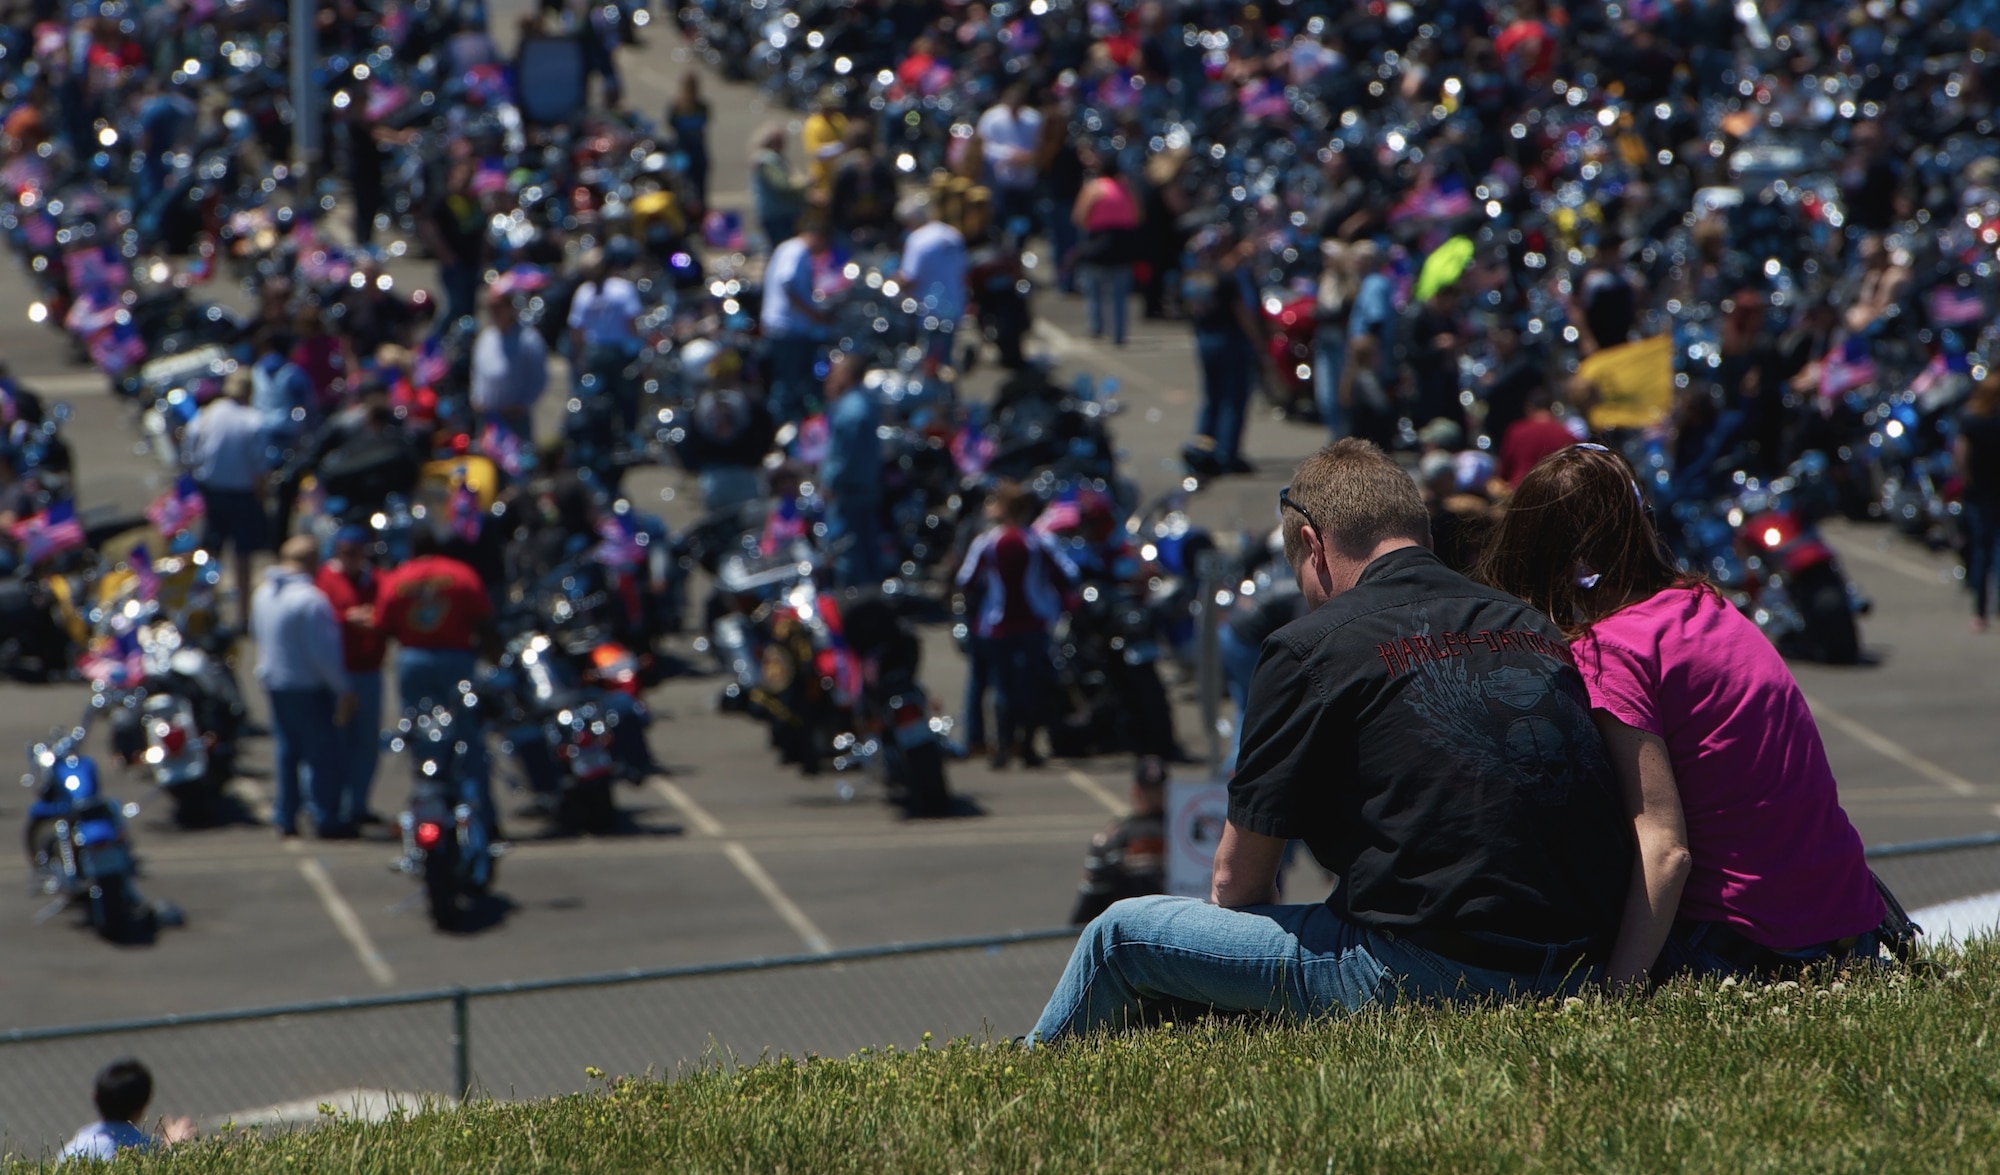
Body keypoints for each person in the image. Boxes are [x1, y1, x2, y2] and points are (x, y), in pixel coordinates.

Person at [1030, 439, 1632, 1042]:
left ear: (1313, 546)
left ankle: (1019, 1087)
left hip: (1428, 972)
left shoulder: (1310, 645)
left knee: (1120, 937)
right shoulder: (1530, 624)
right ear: (1419, 533)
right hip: (1579, 965)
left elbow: (1237, 885)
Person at [1473, 443, 1885, 983]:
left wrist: (1616, 997)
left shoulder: (1612, 652)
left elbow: (1666, 852)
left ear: (1555, 562)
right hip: (1849, 926)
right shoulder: (1709, 606)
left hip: (1754, 947)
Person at [375, 526, 497, 828]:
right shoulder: (461, 574)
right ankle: (482, 816)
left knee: (421, 738)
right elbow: (483, 618)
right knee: (468, 739)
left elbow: (382, 623)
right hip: (457, 658)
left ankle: (428, 812)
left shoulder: (399, 578)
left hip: (414, 658)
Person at [955, 481, 1077, 769]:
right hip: (1034, 622)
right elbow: (1067, 576)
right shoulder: (1040, 541)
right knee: (1034, 684)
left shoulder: (986, 543)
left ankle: (1002, 746)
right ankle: (1029, 746)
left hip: (996, 625)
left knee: (1003, 688)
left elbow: (966, 581)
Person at [251, 535, 355, 839]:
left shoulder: (264, 593)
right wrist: (344, 687)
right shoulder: (310, 599)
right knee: (321, 756)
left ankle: (286, 814)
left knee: (287, 753)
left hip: (276, 683)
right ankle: (326, 817)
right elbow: (322, 653)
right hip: (307, 687)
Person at [181, 373, 270, 633]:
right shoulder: (253, 420)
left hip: (212, 493)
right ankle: (242, 616)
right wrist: (261, 500)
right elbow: (260, 469)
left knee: (209, 556)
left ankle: (206, 611)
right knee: (243, 559)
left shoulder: (206, 415)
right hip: (242, 495)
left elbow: (190, 452)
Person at [315, 527, 387, 828]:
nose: (350, 558)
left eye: (355, 552)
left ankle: (359, 804)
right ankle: (333, 808)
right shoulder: (326, 580)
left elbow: (387, 607)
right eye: (344, 552)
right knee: (337, 743)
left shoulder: (377, 579)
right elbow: (317, 617)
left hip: (369, 671)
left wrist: (376, 618)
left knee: (367, 743)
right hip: (339, 675)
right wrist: (347, 618)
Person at [1180, 229, 1266, 477]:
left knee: (1212, 397)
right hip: (1230, 339)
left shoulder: (1194, 278)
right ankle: (1227, 454)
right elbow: (1243, 314)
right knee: (1233, 398)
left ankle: (1203, 447)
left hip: (1205, 338)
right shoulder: (1226, 278)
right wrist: (1260, 345)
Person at [1070, 757, 1169, 924]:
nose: (1154, 797)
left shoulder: (1116, 835)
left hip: (1129, 930)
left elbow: (1089, 905)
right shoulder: (1184, 832)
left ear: (1135, 792)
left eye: (1157, 790)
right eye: (1149, 790)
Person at [819, 351, 883, 589]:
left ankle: (853, 602)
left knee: (847, 550)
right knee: (867, 546)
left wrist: (830, 483)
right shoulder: (864, 402)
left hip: (849, 491)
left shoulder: (849, 410)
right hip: (866, 487)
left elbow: (843, 456)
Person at [759, 220, 833, 423]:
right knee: (789, 387)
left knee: (789, 383)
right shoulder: (797, 251)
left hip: (783, 328)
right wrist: (813, 314)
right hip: (788, 329)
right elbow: (788, 283)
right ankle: (784, 428)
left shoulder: (787, 247)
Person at [567, 240, 645, 433]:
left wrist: (579, 357)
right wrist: (640, 347)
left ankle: (604, 435)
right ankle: (628, 434)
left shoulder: (584, 292)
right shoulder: (624, 288)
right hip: (620, 352)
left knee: (598, 396)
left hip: (595, 353)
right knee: (626, 396)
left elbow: (577, 330)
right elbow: (631, 322)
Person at [59, 1059, 193, 1163]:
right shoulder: (150, 1150)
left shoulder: (74, 1149)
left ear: (95, 1098)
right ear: (143, 1105)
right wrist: (174, 1148)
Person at [1071, 153, 1140, 346]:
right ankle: (1119, 333)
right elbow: (1137, 216)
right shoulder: (1127, 190)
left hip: (1099, 241)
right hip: (1123, 243)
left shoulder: (1094, 189)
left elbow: (1079, 216)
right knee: (1119, 293)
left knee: (1093, 287)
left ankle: (1097, 326)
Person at [897, 193, 968, 369]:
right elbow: (964, 269)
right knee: (947, 359)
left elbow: (908, 278)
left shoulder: (917, 240)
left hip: (929, 311)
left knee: (931, 362)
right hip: (955, 306)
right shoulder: (951, 234)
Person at [471, 286, 550, 437]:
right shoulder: (486, 337)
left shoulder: (528, 339)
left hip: (515, 419)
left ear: (510, 308)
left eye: (498, 307)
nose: (494, 312)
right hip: (488, 418)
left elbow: (539, 377)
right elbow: (477, 371)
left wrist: (523, 404)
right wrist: (476, 397)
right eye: (491, 308)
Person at [420, 156, 488, 327]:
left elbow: (481, 231)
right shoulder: (442, 198)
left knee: (469, 311)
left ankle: (464, 346)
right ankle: (434, 343)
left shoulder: (474, 201)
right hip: (453, 265)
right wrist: (445, 254)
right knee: (454, 307)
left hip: (471, 263)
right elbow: (429, 228)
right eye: (462, 176)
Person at [1955, 375, 2000, 631]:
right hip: (1996, 491)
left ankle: (1980, 612)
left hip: (1978, 493)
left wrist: (1967, 481)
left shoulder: (1971, 422)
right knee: (1997, 549)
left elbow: (1961, 456)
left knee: (1981, 552)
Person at [977, 82, 1043, 234]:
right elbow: (983, 146)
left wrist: (1028, 156)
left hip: (1026, 177)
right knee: (1002, 216)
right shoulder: (992, 118)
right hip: (1000, 177)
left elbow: (1040, 144)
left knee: (1026, 218)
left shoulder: (1033, 119)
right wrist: (1008, 154)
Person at [249, 326, 316, 463]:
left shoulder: (256, 369)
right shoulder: (293, 374)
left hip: (260, 430)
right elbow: (309, 408)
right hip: (287, 434)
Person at [826, 123, 899, 248]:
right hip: (879, 229)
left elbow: (835, 200)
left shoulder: (843, 164)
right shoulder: (882, 165)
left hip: (847, 230)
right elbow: (892, 197)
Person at [1497, 387, 1580, 488]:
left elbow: (1504, 471)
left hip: (1521, 491)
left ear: (1529, 408)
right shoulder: (1566, 434)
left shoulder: (1516, 431)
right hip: (1555, 492)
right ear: (1551, 408)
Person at [749, 122, 808, 248]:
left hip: (784, 213)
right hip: (777, 215)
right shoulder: (766, 161)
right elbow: (782, 186)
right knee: (781, 249)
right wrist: (807, 184)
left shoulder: (778, 158)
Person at [667, 74, 711, 210]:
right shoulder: (676, 106)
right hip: (683, 149)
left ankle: (700, 210)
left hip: (697, 148)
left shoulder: (702, 106)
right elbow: (671, 124)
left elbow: (704, 122)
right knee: (682, 183)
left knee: (700, 183)